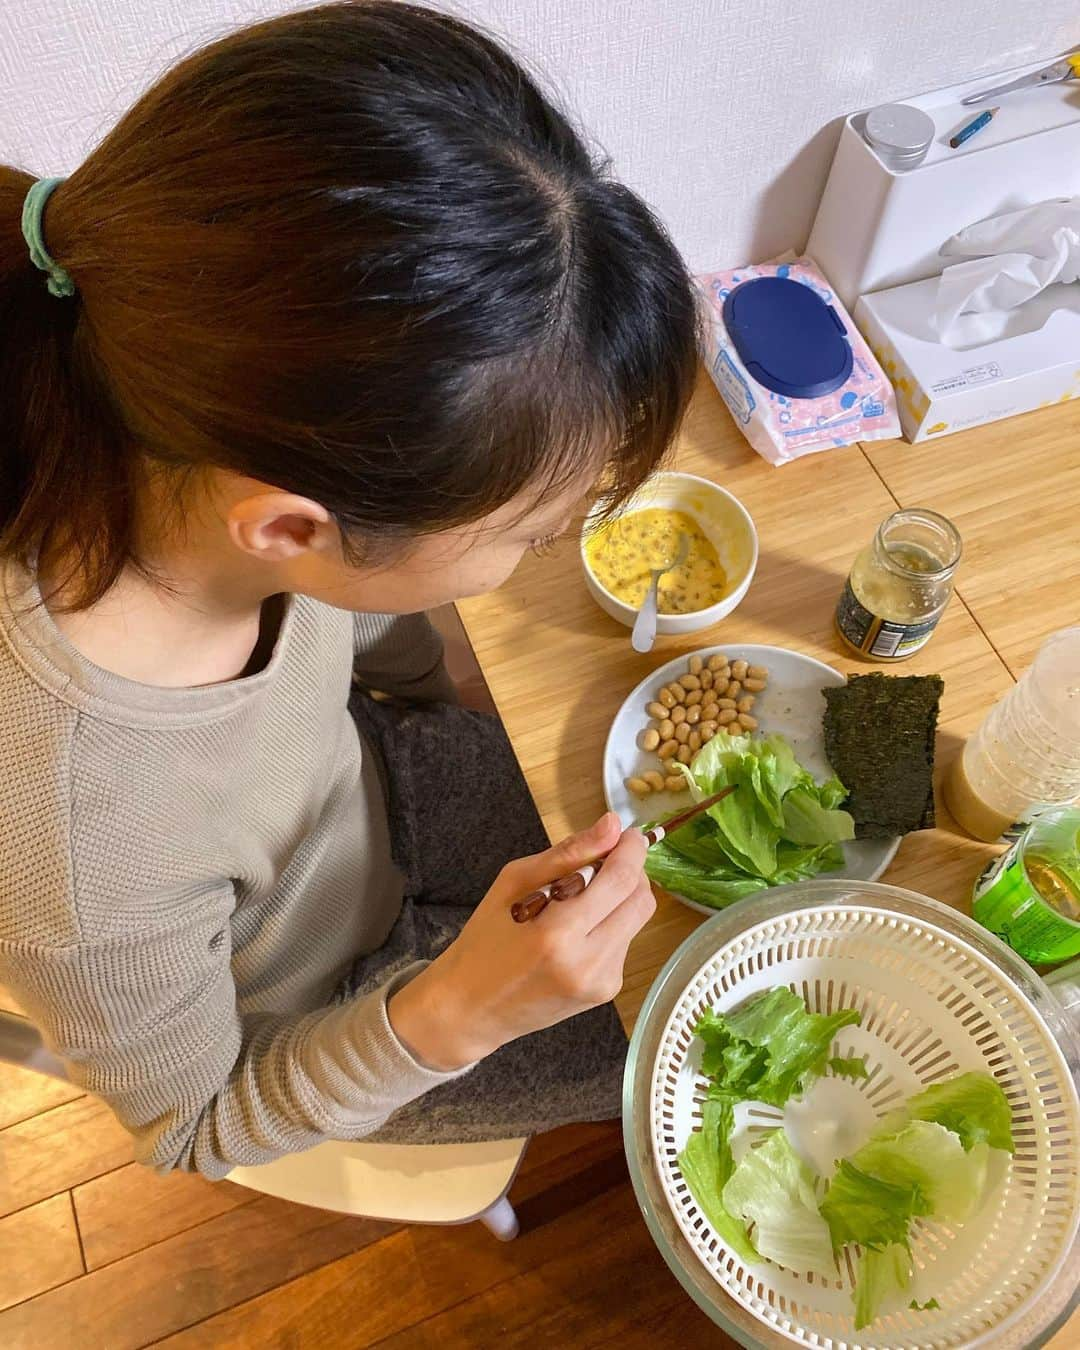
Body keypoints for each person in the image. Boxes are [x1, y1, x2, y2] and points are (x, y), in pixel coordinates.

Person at [0, 1, 697, 1177]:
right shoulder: (81, 844)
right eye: (527, 535)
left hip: (374, 790)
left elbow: (358, 617)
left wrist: (447, 691)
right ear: (290, 525)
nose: (537, 553)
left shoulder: (198, 442)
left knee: (694, 900)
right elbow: (196, 1126)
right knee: (681, 1054)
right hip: (331, 1014)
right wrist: (462, 1009)